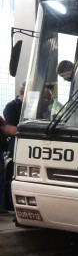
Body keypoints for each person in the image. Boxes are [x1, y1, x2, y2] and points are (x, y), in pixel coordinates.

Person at [3, 81, 23, 211]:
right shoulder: (11, 107)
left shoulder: (37, 106)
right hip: (16, 145)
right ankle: (10, 202)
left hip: (27, 144)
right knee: (13, 175)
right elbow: (9, 128)